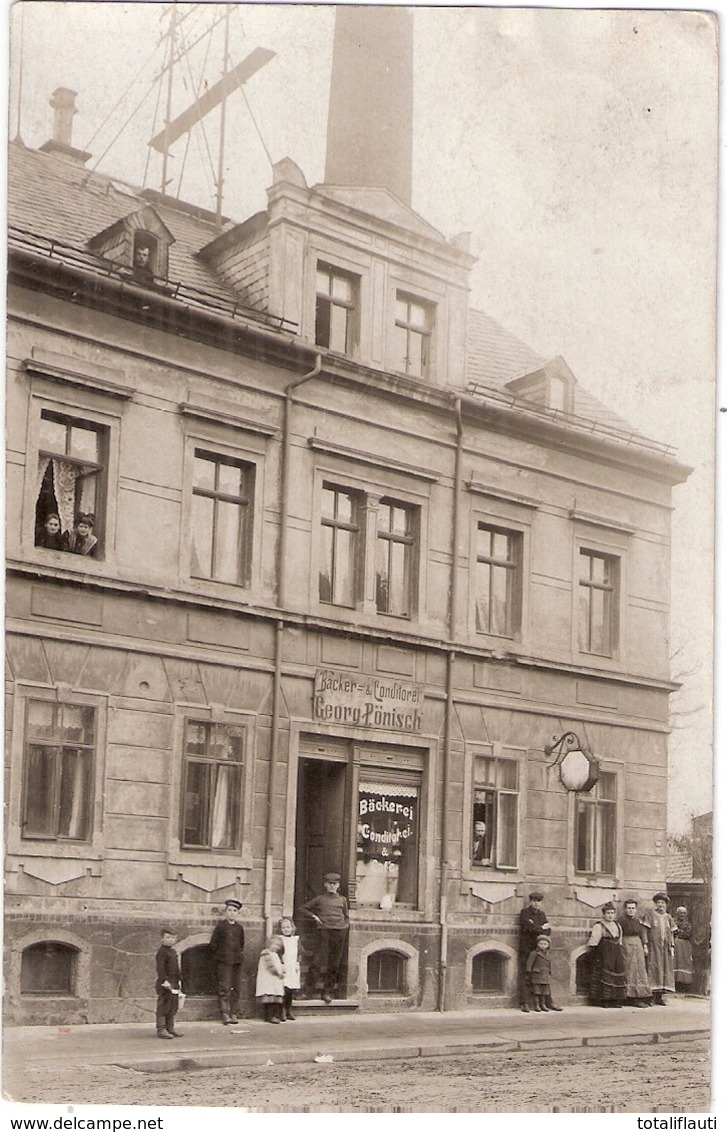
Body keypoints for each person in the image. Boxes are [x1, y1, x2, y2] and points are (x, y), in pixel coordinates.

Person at [300, 872, 349, 1003]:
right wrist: (314, 917)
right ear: (325, 885)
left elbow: (346, 915)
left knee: (334, 964)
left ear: (338, 885)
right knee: (316, 962)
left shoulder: (342, 900)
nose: (332, 886)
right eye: (329, 884)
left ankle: (327, 992)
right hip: (324, 932)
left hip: (338, 933)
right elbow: (303, 908)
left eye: (335, 884)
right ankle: (308, 992)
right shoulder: (320, 899)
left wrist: (345, 926)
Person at [517, 891, 562, 1011]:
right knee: (526, 974)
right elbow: (528, 928)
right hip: (527, 949)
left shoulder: (542, 914)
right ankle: (524, 1003)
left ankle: (548, 1002)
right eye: (534, 901)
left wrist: (537, 927)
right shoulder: (524, 913)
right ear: (530, 901)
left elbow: (548, 931)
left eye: (538, 901)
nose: (536, 904)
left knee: (544, 976)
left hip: (541, 950)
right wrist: (540, 928)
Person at [209, 897, 245, 1025]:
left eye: (234, 910)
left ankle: (234, 1013)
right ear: (226, 912)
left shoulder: (239, 928)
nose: (231, 913)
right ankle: (225, 1013)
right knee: (224, 987)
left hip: (236, 962)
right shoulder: (221, 927)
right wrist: (221, 956)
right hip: (224, 962)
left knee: (236, 987)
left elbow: (241, 944)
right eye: (229, 910)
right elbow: (213, 945)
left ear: (237, 913)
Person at [586, 902, 627, 1007]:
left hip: (616, 953)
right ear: (604, 914)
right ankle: (604, 1000)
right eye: (608, 913)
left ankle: (616, 1000)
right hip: (604, 953)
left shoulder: (617, 925)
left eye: (612, 913)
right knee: (604, 974)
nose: (610, 915)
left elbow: (620, 941)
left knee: (617, 973)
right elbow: (594, 941)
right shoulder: (599, 926)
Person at [641, 892, 677, 1005]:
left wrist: (672, 946)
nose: (660, 905)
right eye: (658, 903)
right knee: (653, 970)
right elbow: (644, 931)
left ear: (666, 905)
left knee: (664, 971)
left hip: (665, 949)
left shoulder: (668, 917)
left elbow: (671, 933)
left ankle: (660, 997)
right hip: (653, 947)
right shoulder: (650, 915)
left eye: (662, 903)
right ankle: (650, 996)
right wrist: (645, 945)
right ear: (655, 904)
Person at [617, 898, 651, 1007]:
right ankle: (628, 997)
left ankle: (639, 996)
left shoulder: (638, 921)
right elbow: (619, 935)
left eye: (633, 908)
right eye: (629, 908)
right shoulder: (621, 921)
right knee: (629, 969)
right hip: (626, 945)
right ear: (625, 909)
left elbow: (643, 933)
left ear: (636, 909)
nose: (631, 910)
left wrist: (645, 946)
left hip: (638, 945)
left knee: (639, 970)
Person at [155, 927, 183, 1039]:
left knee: (172, 1006)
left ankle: (170, 1028)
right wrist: (164, 980)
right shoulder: (162, 952)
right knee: (164, 1005)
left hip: (174, 982)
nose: (171, 940)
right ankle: (161, 1029)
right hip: (165, 984)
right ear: (162, 939)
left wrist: (179, 979)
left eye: (173, 938)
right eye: (168, 937)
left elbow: (176, 968)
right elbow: (160, 968)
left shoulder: (172, 951)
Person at [256, 935, 285, 1023]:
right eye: (274, 945)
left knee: (274, 999)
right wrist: (279, 973)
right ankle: (269, 1016)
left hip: (274, 980)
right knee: (269, 998)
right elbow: (270, 966)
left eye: (278, 945)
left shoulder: (275, 954)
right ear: (269, 944)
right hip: (269, 980)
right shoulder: (266, 954)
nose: (276, 947)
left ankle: (274, 1015)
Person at [278, 916, 301, 1021]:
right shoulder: (280, 940)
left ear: (292, 927)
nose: (286, 929)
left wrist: (298, 962)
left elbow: (300, 952)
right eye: (283, 927)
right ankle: (282, 1010)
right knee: (284, 988)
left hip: (293, 966)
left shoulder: (295, 940)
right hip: (284, 966)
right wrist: (281, 964)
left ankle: (289, 1009)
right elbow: (278, 952)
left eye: (288, 927)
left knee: (290, 990)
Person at [526, 935, 552, 1012]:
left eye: (545, 944)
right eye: (541, 944)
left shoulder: (547, 954)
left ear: (548, 945)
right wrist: (528, 972)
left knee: (544, 992)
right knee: (536, 991)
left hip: (545, 975)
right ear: (537, 944)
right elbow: (529, 963)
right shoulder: (534, 953)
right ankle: (536, 1005)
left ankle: (543, 1005)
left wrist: (549, 972)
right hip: (536, 974)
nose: (543, 946)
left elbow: (549, 964)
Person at [674, 906, 694, 992]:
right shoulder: (673, 922)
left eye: (683, 913)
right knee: (675, 962)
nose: (682, 915)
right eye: (680, 913)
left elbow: (687, 934)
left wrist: (678, 931)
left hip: (684, 946)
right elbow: (671, 931)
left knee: (684, 963)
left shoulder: (687, 924)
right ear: (677, 914)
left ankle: (683, 985)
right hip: (675, 944)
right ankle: (675, 983)